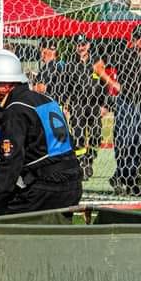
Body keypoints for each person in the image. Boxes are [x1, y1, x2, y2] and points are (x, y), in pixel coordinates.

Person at [0, 49, 82, 217]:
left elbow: (10, 165)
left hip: (47, 190)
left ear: (5, 84)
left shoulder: (15, 110)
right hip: (73, 186)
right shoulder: (46, 100)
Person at [96, 24, 141, 195]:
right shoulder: (123, 53)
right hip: (127, 102)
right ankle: (124, 176)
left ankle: (128, 177)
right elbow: (98, 67)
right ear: (132, 38)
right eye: (138, 37)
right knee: (125, 140)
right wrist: (113, 83)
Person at [59, 34, 103, 181]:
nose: (81, 47)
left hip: (94, 104)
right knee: (78, 137)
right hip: (77, 104)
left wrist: (106, 104)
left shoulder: (96, 61)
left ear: (88, 45)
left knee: (96, 135)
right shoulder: (70, 63)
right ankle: (82, 165)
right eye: (78, 45)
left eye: (83, 44)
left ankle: (90, 159)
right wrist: (65, 104)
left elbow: (103, 84)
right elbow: (65, 85)